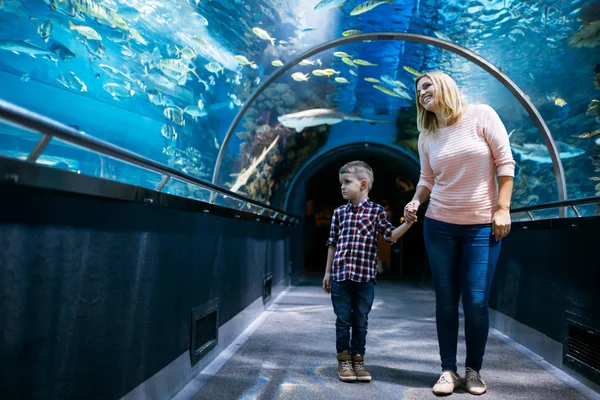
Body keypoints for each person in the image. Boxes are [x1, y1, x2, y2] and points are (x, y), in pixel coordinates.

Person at [404, 71, 515, 396]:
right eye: (418, 90)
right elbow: (427, 178)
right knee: (446, 300)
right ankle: (448, 371)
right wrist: (415, 200)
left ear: (445, 85)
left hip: (482, 226)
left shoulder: (481, 114)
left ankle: (474, 369)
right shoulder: (428, 135)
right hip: (439, 226)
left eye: (427, 85)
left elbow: (505, 164)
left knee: (477, 301)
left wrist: (502, 208)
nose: (422, 92)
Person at [322, 160, 413, 382]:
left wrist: (408, 224)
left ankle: (358, 360)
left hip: (365, 278)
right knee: (343, 320)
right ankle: (344, 360)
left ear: (363, 184)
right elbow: (332, 243)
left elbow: (390, 235)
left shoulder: (376, 212)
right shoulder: (339, 213)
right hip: (341, 276)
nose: (342, 187)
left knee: (361, 320)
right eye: (341, 183)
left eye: (347, 182)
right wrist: (327, 272)